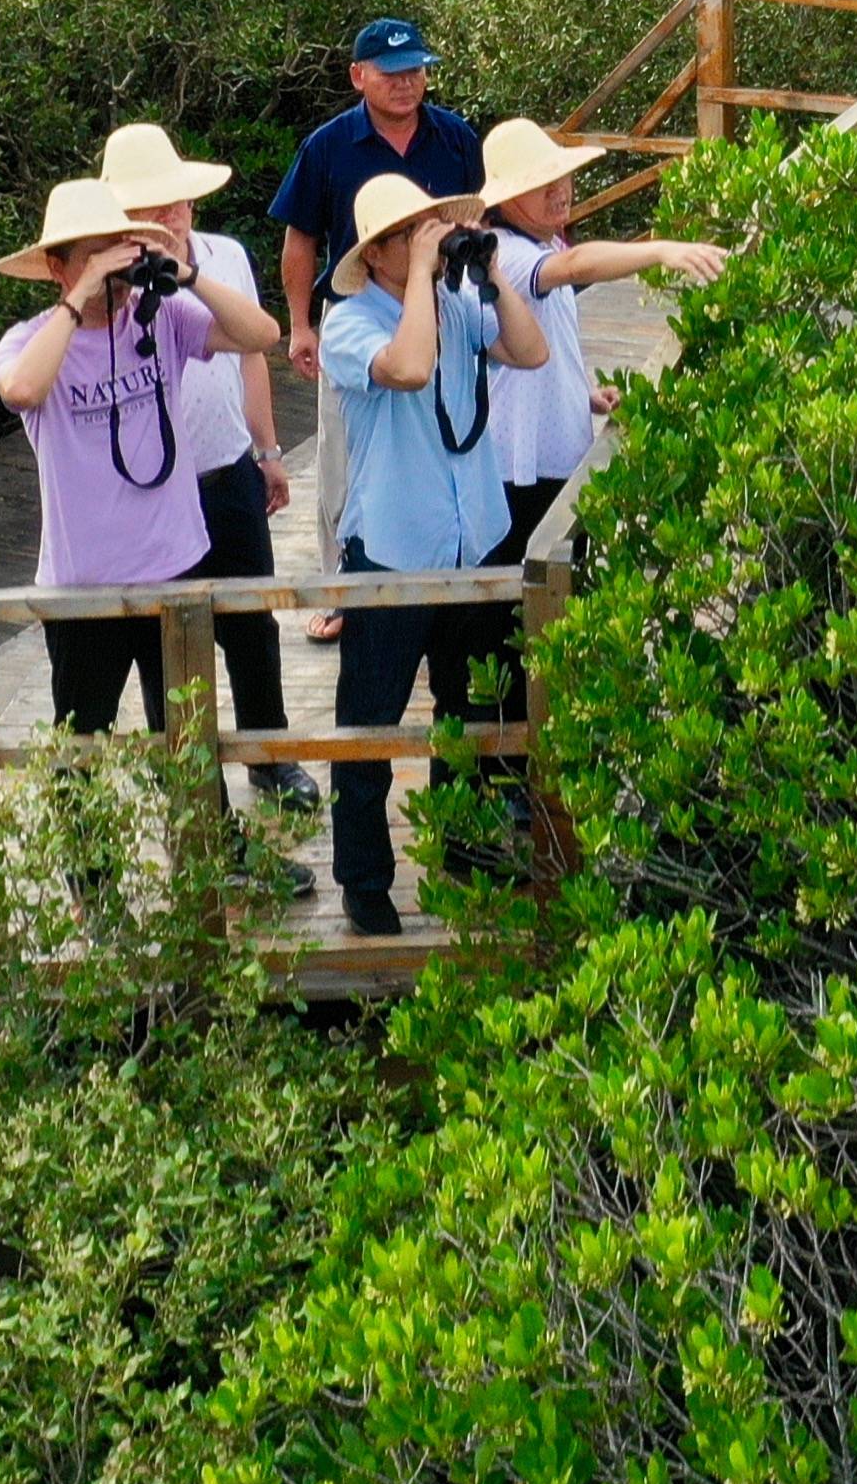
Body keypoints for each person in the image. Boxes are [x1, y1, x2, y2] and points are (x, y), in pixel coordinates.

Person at [312, 167, 544, 938]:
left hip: (470, 540)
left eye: (429, 229)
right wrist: (421, 274)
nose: (427, 242)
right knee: (369, 723)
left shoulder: (455, 300)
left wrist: (492, 273)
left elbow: (531, 351)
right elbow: (409, 368)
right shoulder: (350, 321)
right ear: (376, 252)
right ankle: (364, 878)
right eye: (409, 234)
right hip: (392, 551)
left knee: (468, 707)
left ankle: (461, 841)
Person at [0, 173, 267, 736]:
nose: (112, 271)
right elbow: (21, 389)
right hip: (84, 586)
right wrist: (80, 298)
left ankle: (211, 808)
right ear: (57, 268)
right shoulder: (29, 341)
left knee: (188, 743)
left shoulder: (162, 317)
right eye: (95, 256)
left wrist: (186, 275)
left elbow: (260, 335)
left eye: (118, 252)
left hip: (175, 566)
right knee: (79, 751)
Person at [93, 124, 300, 801]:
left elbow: (253, 353)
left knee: (253, 624)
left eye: (176, 200)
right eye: (149, 206)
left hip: (227, 467)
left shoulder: (225, 257)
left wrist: (267, 449)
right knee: (168, 647)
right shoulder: (105, 286)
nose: (169, 215)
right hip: (153, 495)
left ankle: (270, 755)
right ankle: (189, 783)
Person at [471, 116, 729, 570]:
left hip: (554, 455)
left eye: (562, 177)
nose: (560, 191)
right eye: (542, 184)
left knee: (561, 583)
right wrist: (661, 250)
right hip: (522, 467)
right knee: (528, 591)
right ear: (507, 198)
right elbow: (576, 266)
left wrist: (582, 394)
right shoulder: (504, 252)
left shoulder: (544, 243)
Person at [272, 16, 482, 382]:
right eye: (390, 73)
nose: (405, 83)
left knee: (453, 410)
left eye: (414, 70)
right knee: (354, 419)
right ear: (358, 76)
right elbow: (301, 238)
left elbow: (484, 216)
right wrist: (300, 326)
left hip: (447, 306)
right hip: (356, 316)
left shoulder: (456, 137)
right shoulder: (327, 146)